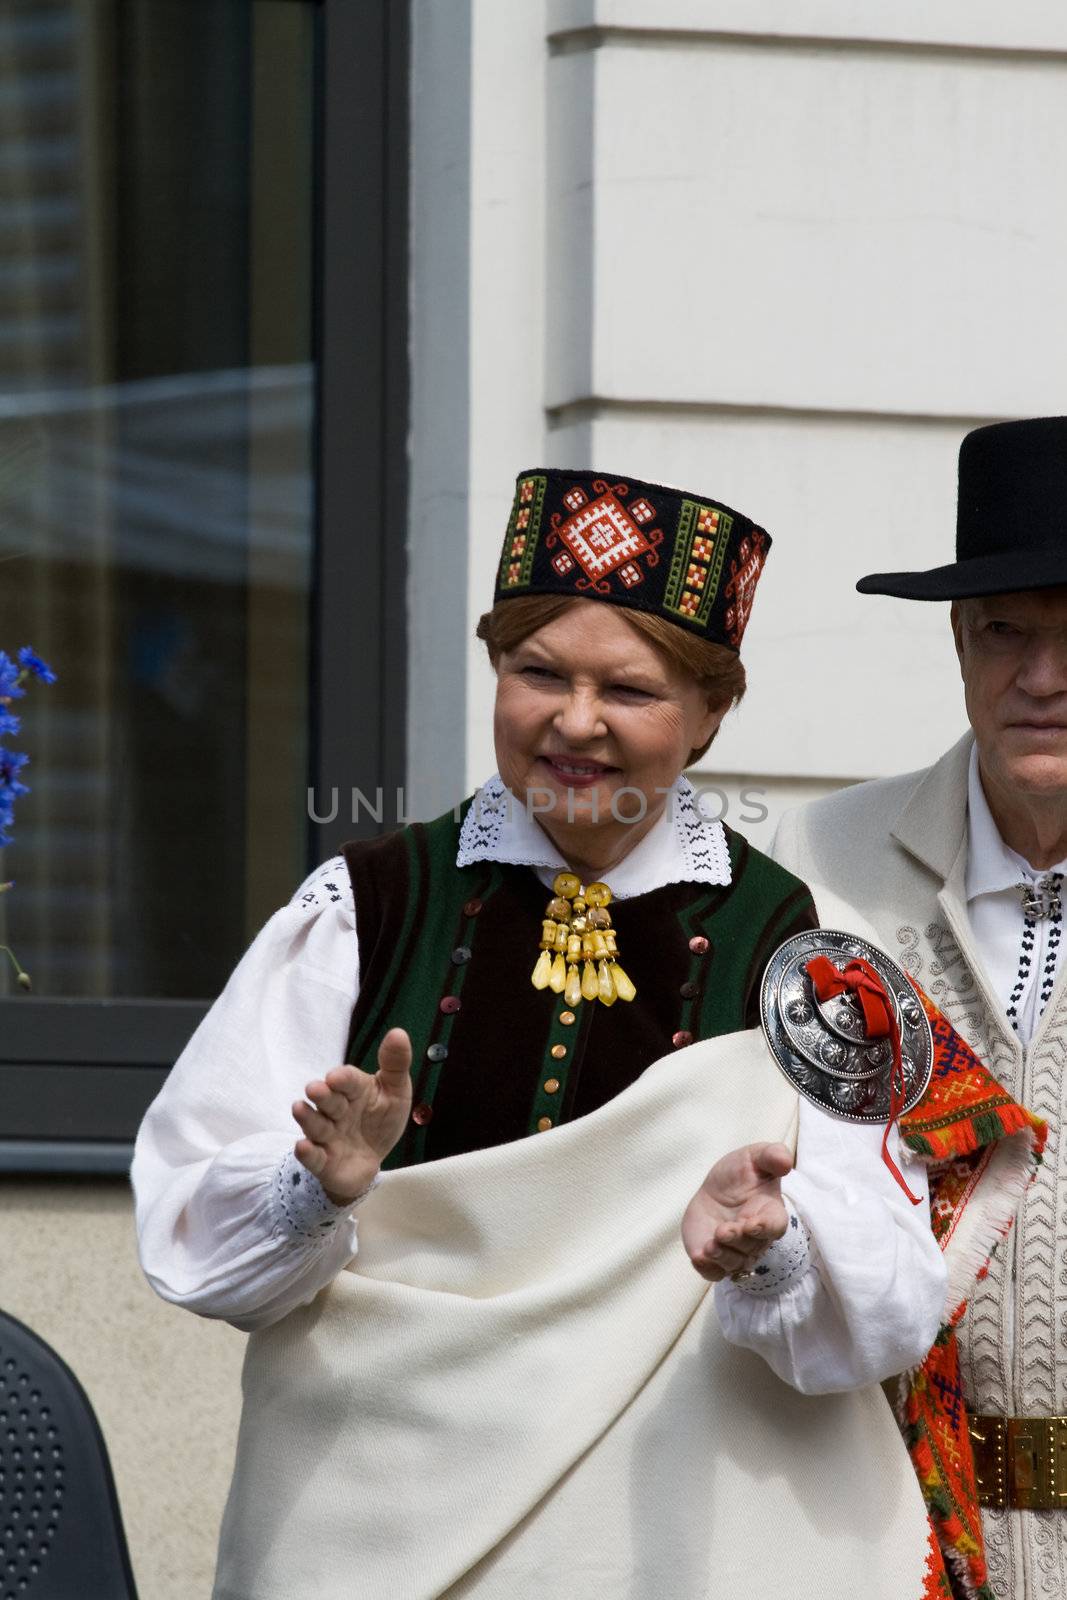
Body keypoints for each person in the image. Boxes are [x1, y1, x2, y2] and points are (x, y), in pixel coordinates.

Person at [133, 467, 1024, 1600]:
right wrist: (315, 1188)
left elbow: (888, 1302)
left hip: (680, 1554)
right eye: (536, 672)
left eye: (631, 689)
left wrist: (771, 1247)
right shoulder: (363, 910)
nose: (575, 721)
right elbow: (190, 1232)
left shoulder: (798, 951)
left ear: (710, 713)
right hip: (379, 1538)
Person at [773, 416, 1067, 1600]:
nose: (1040, 677)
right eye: (1007, 631)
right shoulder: (818, 860)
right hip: (879, 1539)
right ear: (956, 641)